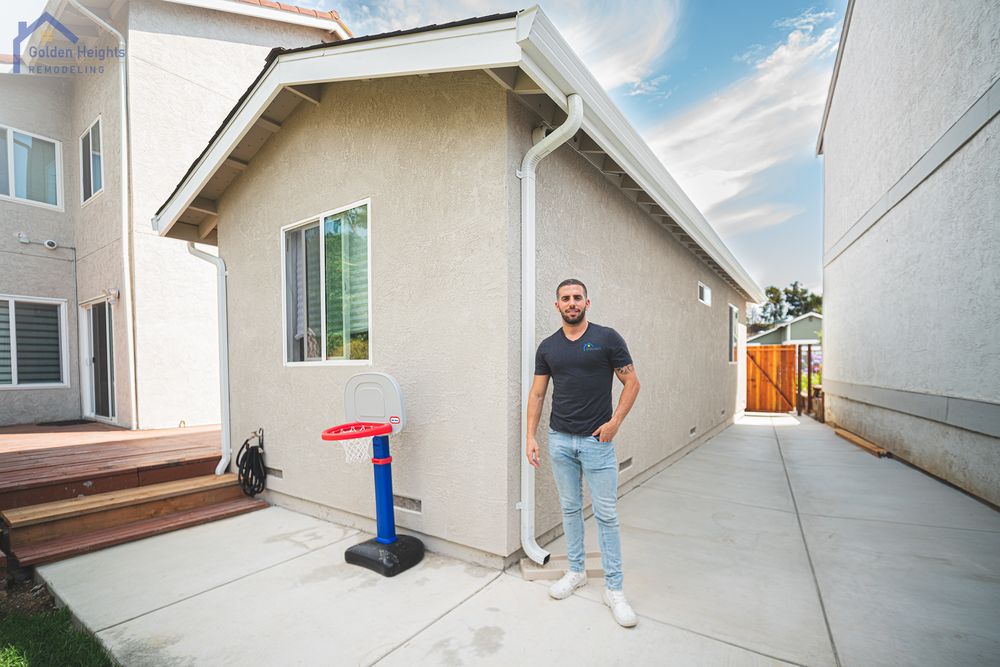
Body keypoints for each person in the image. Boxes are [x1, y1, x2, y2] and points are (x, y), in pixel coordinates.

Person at [526, 278, 641, 628]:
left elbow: (632, 382)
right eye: (565, 298)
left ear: (587, 303)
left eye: (577, 298)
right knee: (571, 509)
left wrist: (615, 422)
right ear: (556, 305)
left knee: (606, 514)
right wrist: (530, 436)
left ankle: (615, 589)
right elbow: (537, 395)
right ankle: (576, 571)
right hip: (560, 440)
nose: (571, 303)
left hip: (597, 442)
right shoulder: (548, 347)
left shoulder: (607, 339)